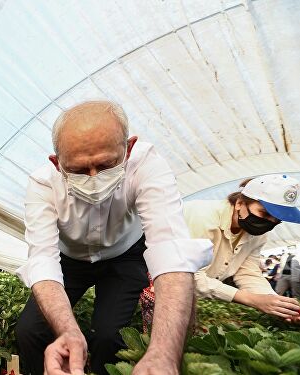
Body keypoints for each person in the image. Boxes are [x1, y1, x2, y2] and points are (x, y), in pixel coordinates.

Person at [14, 100, 212, 375]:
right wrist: (69, 332)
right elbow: (43, 261)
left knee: (109, 335)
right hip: (70, 260)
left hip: (124, 256)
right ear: (57, 164)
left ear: (128, 149)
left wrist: (163, 354)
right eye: (79, 170)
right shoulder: (42, 184)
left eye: (106, 165)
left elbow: (171, 252)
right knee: (29, 331)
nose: (94, 179)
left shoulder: (147, 164)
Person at [184, 175, 300, 323]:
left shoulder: (258, 235)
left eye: (277, 220)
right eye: (264, 213)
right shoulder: (203, 217)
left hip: (183, 294)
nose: (269, 223)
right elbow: (188, 277)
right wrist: (251, 299)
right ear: (239, 203)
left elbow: (247, 272)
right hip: (152, 282)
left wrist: (275, 304)